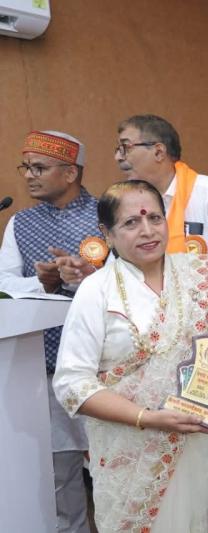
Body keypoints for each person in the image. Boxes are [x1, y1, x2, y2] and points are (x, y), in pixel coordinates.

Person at [52, 180, 208, 532]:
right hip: (130, 451)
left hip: (197, 437)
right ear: (106, 233)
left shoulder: (202, 276)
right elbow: (72, 384)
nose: (147, 231)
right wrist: (148, 418)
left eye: (154, 218)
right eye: (131, 223)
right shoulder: (97, 290)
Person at [0, 130, 99, 533]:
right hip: (45, 369)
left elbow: (129, 278)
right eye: (26, 167)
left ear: (70, 172)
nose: (28, 176)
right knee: (60, 479)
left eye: (39, 168)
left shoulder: (107, 215)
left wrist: (81, 278)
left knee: (118, 467)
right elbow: (5, 283)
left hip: (105, 366)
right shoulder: (20, 223)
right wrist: (43, 282)